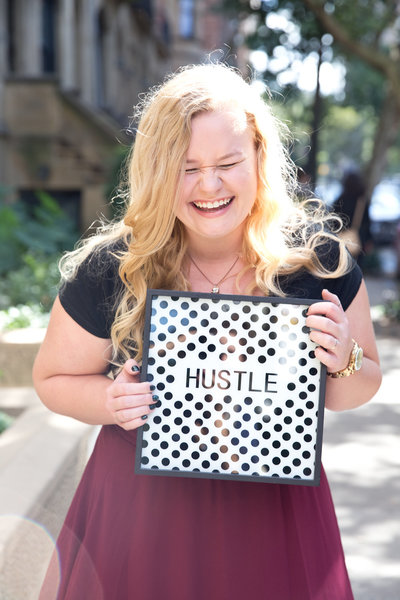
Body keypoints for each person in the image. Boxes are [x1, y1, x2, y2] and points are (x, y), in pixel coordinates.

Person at [33, 63, 382, 600]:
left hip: (273, 513)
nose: (209, 184)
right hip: (139, 511)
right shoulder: (115, 266)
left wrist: (345, 358)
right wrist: (110, 399)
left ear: (259, 158)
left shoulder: (316, 263)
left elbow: (361, 384)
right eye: (186, 166)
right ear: (156, 168)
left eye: (227, 162)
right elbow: (53, 377)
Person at [332, 170, 373, 264]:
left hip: (339, 240)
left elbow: (332, 221)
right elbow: (367, 223)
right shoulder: (361, 202)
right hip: (358, 241)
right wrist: (369, 240)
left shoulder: (339, 201)